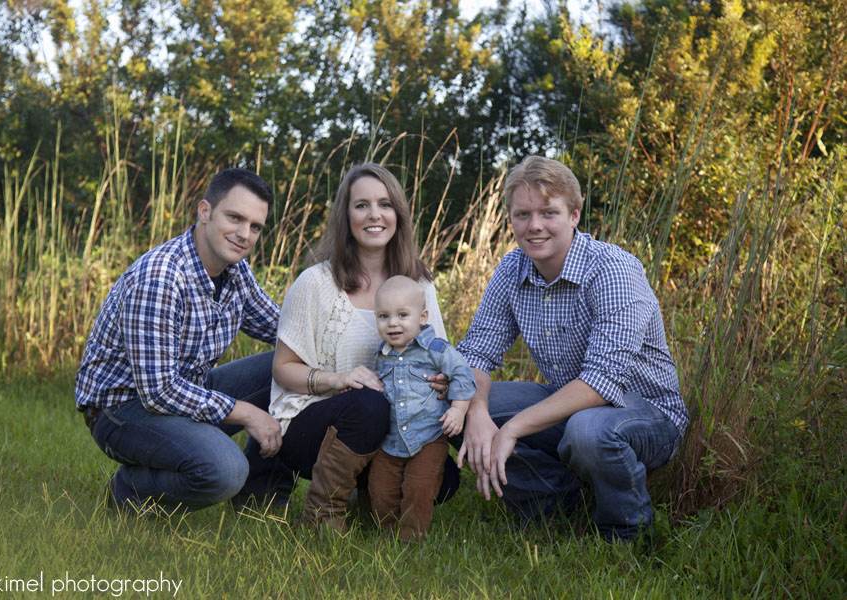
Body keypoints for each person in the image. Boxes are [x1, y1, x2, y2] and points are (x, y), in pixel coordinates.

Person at [456, 156, 689, 542]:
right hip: (570, 405)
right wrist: (477, 412)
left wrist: (511, 428)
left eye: (549, 212)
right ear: (511, 219)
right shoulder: (511, 269)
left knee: (586, 431)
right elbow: (477, 354)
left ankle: (627, 534)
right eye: (522, 214)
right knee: (452, 406)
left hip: (647, 414)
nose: (535, 226)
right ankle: (556, 505)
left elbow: (601, 381)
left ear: (575, 215)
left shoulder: (613, 269)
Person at [252, 163, 454, 534]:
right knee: (368, 404)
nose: (375, 215)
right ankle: (320, 515)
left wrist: (441, 382)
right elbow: (282, 368)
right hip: (313, 425)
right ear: (346, 215)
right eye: (362, 205)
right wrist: (339, 379)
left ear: (399, 215)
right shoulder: (315, 283)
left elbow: (437, 354)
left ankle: (369, 500)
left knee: (447, 478)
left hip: (395, 423)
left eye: (385, 204)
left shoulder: (420, 282)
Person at [74, 168, 283, 514]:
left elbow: (281, 329)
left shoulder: (236, 271)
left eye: (255, 226)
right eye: (235, 218)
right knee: (226, 471)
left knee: (286, 367)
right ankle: (128, 492)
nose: (244, 234)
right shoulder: (161, 277)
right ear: (205, 212)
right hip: (123, 409)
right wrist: (248, 413)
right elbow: (158, 392)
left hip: (188, 389)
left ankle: (261, 497)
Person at [367, 276, 476, 541]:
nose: (393, 323)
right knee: (380, 488)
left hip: (428, 436)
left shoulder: (435, 350)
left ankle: (411, 538)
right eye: (384, 316)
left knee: (420, 488)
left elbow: (463, 374)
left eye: (402, 315)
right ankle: (387, 531)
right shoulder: (381, 355)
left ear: (423, 316)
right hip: (391, 439)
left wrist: (459, 410)